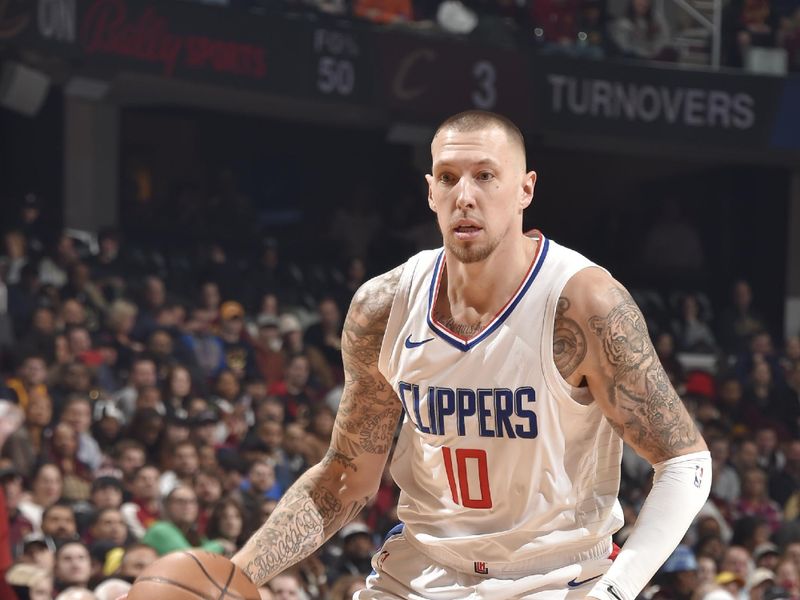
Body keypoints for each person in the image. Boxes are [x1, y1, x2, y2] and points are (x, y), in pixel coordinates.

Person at [228, 111, 711, 599]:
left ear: (525, 189)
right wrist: (232, 578)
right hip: (422, 571)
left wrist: (617, 589)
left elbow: (685, 462)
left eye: (485, 176)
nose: (465, 196)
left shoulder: (585, 304)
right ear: (430, 192)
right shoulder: (383, 307)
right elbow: (343, 479)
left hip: (556, 577)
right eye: (448, 177)